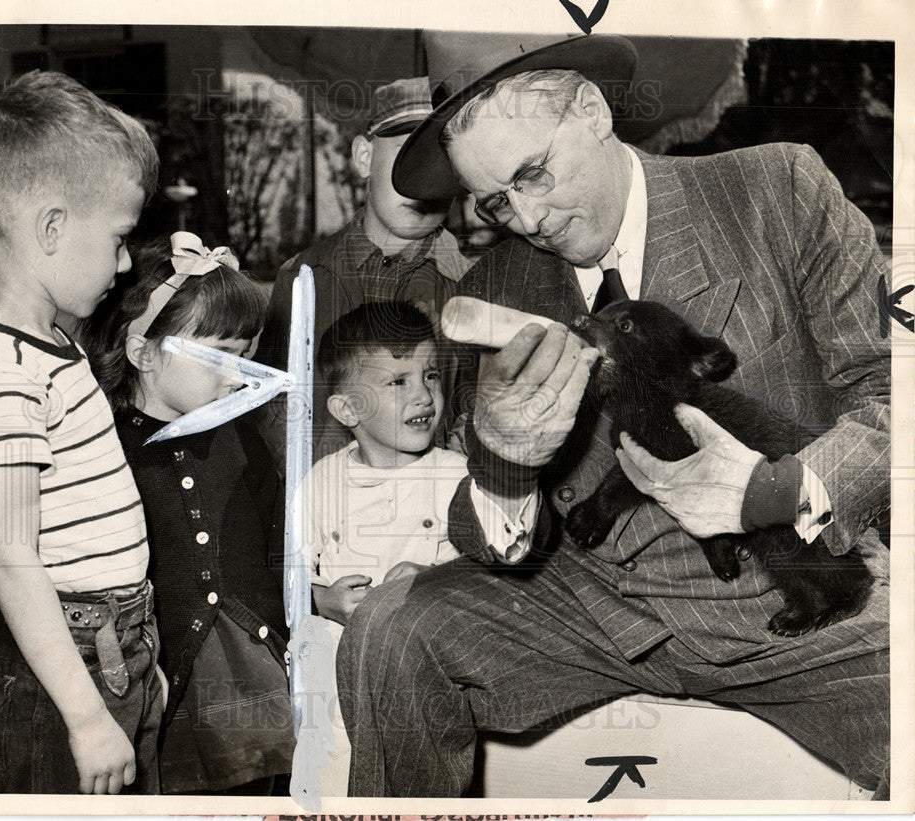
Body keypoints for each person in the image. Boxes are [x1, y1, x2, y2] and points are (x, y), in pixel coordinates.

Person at [337, 32, 891, 798]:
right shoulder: (498, 283)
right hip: (587, 608)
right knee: (391, 629)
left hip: (801, 601)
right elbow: (484, 532)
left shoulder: (775, 189)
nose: (526, 217)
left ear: (593, 110)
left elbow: (894, 395)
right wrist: (501, 465)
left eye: (534, 173)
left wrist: (778, 488)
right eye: (497, 200)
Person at [0, 70, 162, 794]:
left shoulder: (49, 345)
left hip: (110, 647)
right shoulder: (0, 376)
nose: (125, 263)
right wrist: (88, 714)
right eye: (121, 239)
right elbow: (10, 557)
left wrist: (134, 652)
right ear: (53, 229)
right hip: (58, 677)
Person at [82, 232, 295, 794]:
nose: (237, 375)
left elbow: (278, 543)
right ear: (144, 352)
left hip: (252, 671)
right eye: (218, 354)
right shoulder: (105, 450)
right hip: (166, 681)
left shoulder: (247, 438)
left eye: (246, 356)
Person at [256, 77, 472, 465]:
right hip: (327, 509)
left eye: (443, 164)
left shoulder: (478, 284)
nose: (422, 182)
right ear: (364, 158)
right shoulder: (302, 278)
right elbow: (272, 413)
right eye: (407, 156)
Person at [297, 300, 467, 794]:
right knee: (332, 787)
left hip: (424, 687)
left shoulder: (457, 477)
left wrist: (434, 579)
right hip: (329, 689)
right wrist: (321, 598)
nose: (424, 396)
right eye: (398, 382)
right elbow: (288, 578)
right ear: (347, 409)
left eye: (430, 376)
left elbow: (488, 578)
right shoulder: (321, 481)